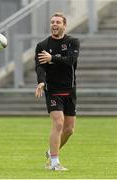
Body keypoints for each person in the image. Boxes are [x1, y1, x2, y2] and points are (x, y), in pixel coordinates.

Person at [35, 12, 80, 170]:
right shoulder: (42, 45)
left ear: (64, 25)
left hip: (70, 90)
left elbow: (70, 61)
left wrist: (52, 58)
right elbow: (40, 66)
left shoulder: (72, 42)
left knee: (69, 130)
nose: (54, 24)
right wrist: (41, 81)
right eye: (52, 22)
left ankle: (51, 151)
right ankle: (54, 163)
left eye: (58, 22)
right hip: (53, 90)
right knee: (58, 123)